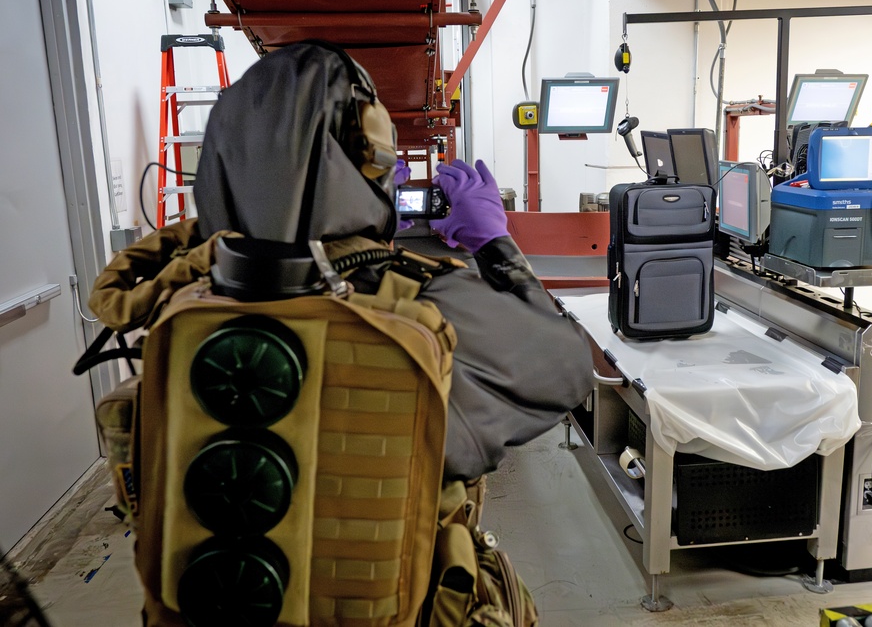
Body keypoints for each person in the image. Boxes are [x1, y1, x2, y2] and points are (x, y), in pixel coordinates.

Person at [187, 41, 595, 481]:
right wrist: (494, 241)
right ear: (370, 157)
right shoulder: (417, 305)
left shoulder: (175, 298)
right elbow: (568, 367)